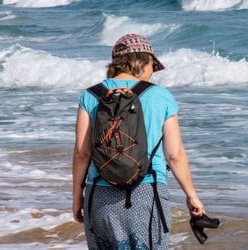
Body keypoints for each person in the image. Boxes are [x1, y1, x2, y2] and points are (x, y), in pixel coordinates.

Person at [72, 33, 205, 249]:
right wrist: (192, 196)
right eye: (153, 64)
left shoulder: (91, 95)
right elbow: (175, 155)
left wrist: (78, 196)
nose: (153, 71)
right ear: (143, 61)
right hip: (147, 192)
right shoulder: (161, 96)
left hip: (99, 194)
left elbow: (82, 154)